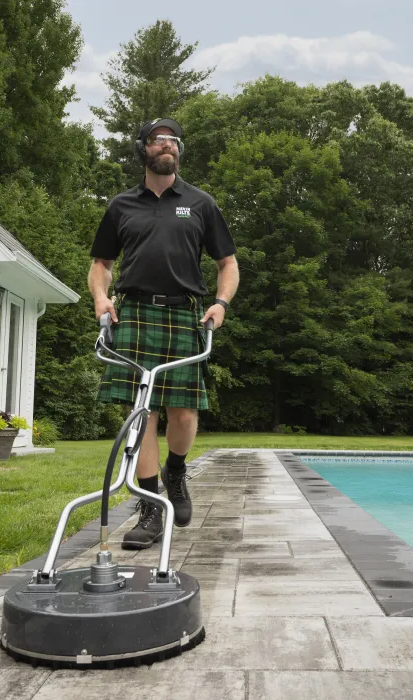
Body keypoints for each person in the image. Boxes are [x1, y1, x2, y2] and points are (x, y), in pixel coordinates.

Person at [87, 117, 239, 549]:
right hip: (133, 313)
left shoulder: (201, 203)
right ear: (143, 150)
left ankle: (176, 469)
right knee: (142, 413)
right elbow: (101, 265)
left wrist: (221, 303)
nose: (167, 145)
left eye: (173, 140)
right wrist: (101, 298)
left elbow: (227, 263)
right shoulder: (121, 205)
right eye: (158, 140)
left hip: (185, 313)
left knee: (184, 414)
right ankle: (151, 506)